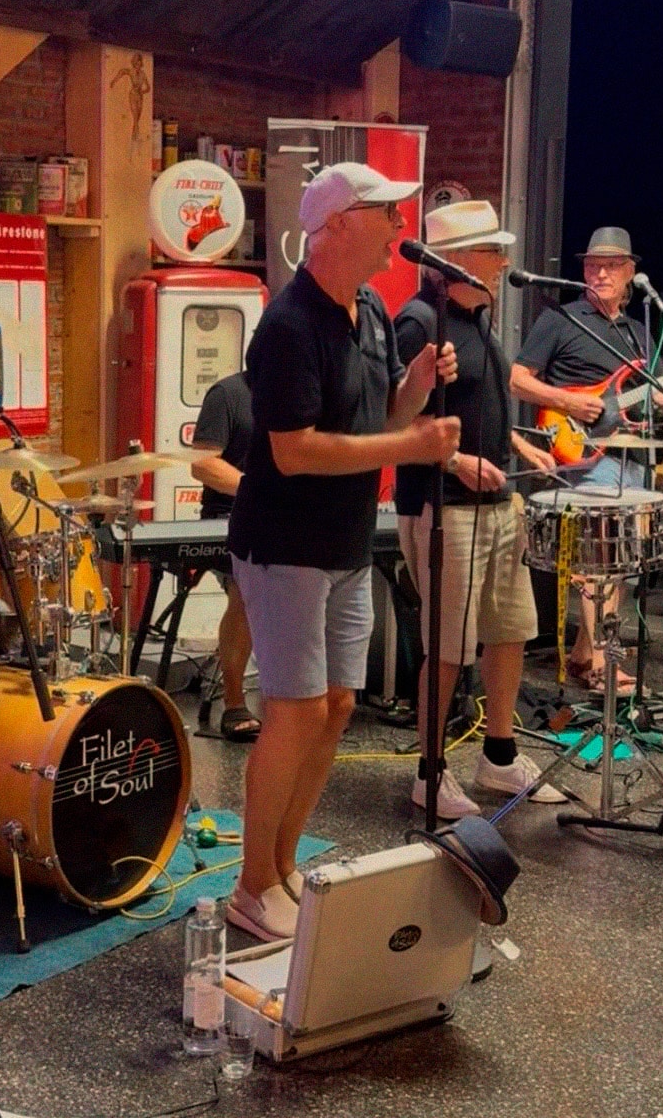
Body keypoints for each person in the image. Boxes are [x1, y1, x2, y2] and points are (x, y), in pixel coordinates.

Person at [225, 162, 461, 941]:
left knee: (335, 707)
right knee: (293, 714)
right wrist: (410, 444)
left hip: (345, 542)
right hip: (285, 544)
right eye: (387, 212)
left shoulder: (372, 309)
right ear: (337, 226)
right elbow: (292, 451)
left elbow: (380, 414)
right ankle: (252, 885)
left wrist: (415, 386)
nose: (401, 225)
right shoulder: (289, 326)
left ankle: (283, 865)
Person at [394, 201, 566, 819]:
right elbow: (396, 420)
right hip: (445, 505)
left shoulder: (479, 321)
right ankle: (429, 771)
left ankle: (498, 755)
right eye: (492, 251)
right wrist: (457, 462)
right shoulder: (419, 321)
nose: (501, 262)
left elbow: (477, 403)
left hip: (496, 503)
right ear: (454, 261)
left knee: (511, 629)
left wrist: (516, 442)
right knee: (448, 645)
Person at [510, 226, 663, 687]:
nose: (600, 273)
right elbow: (516, 378)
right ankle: (602, 664)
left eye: (611, 265)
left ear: (631, 272)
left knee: (619, 564)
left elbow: (659, 395)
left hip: (630, 454)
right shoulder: (561, 319)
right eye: (593, 265)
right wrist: (568, 402)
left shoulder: (637, 333)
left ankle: (581, 655)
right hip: (582, 449)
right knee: (600, 562)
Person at [190, 370, 258, 741]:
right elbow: (203, 464)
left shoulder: (307, 393)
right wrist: (259, 492)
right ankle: (234, 702)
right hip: (232, 512)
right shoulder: (228, 394)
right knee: (246, 590)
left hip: (292, 513)